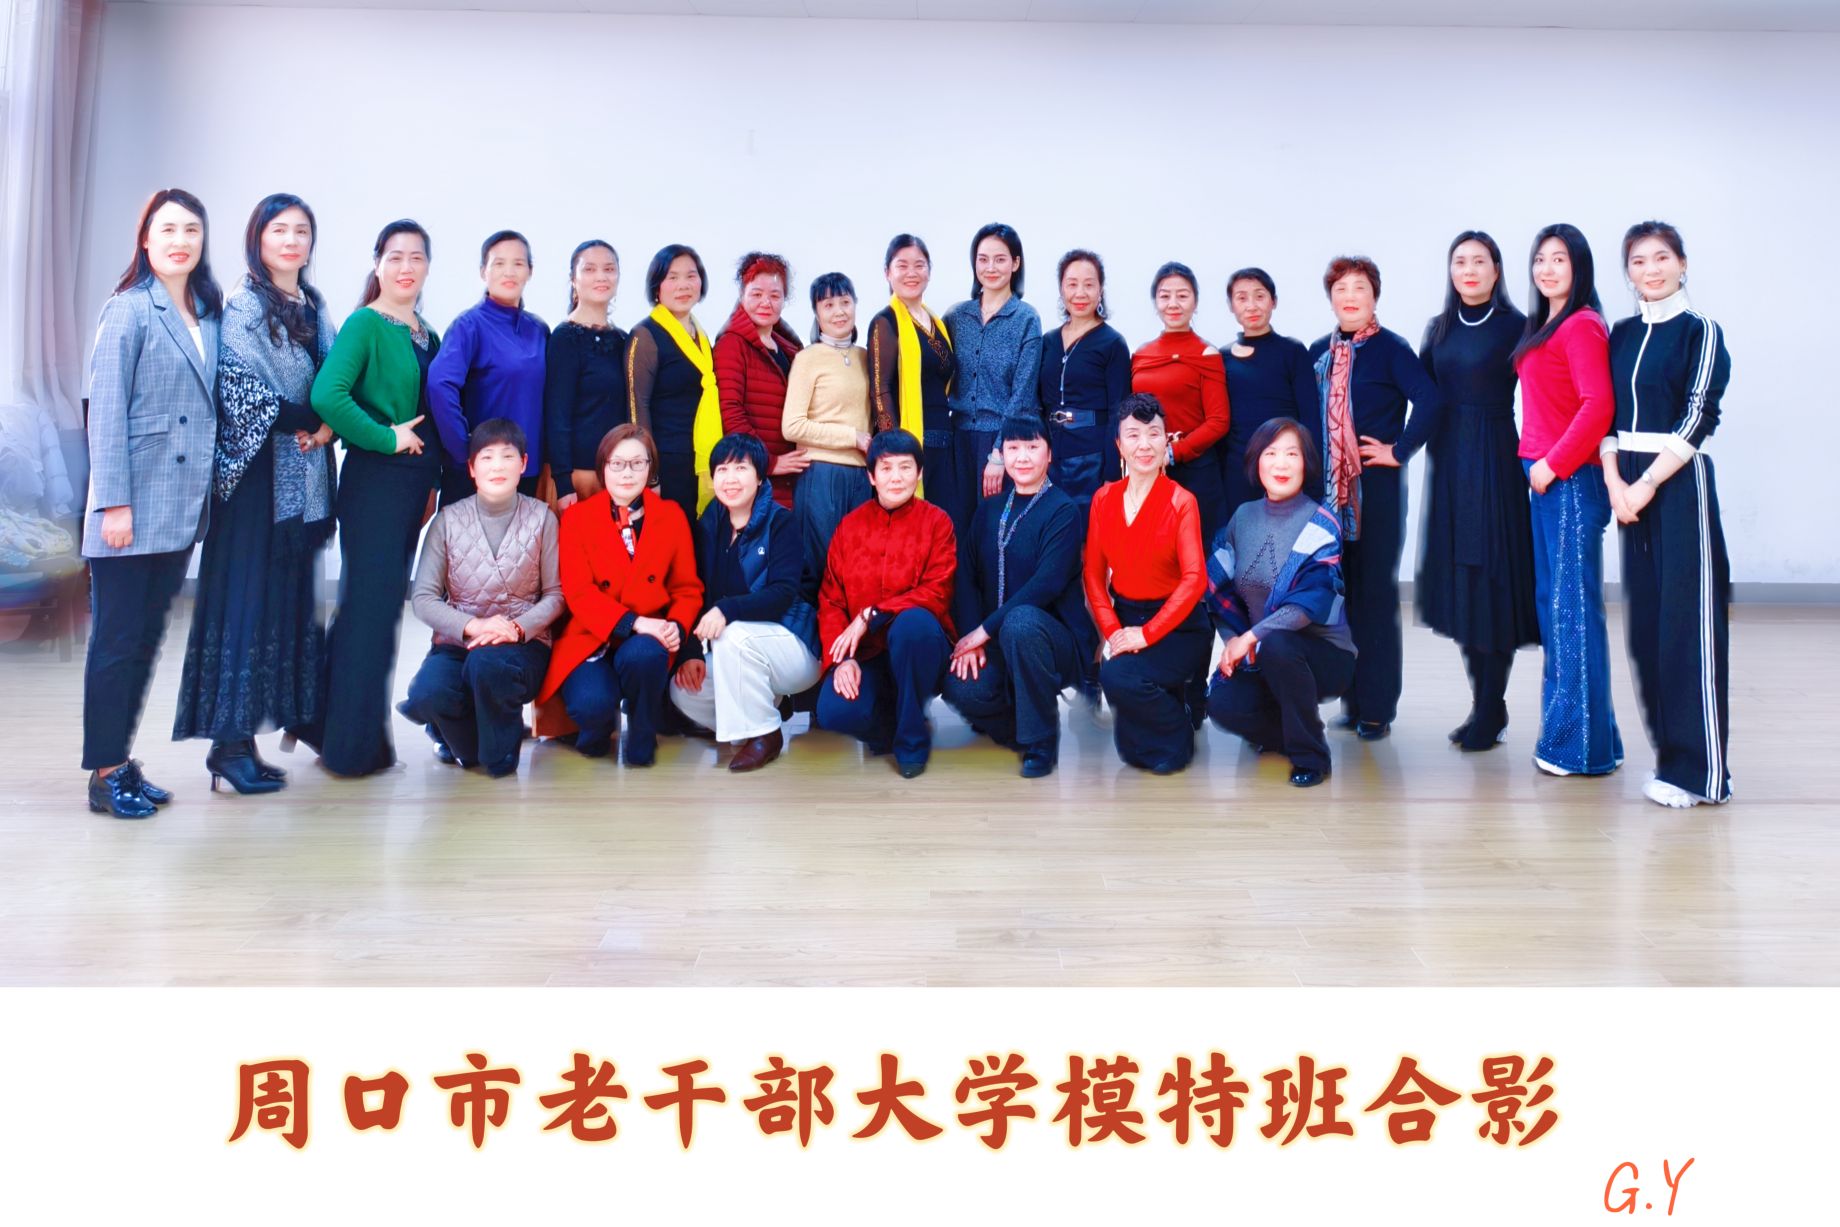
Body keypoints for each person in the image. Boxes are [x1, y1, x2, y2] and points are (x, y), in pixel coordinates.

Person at [172, 192, 336, 795]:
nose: (291, 241)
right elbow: (242, 394)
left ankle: (260, 733)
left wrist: (330, 420)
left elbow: (338, 378)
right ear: (258, 239)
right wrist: (321, 418)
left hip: (302, 484)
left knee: (283, 611)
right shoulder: (242, 306)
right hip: (252, 485)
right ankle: (228, 744)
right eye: (279, 230)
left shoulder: (313, 305)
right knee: (243, 608)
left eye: (301, 231)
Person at [81, 188, 223, 818]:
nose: (180, 240)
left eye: (191, 229)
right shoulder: (129, 309)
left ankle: (121, 760)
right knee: (116, 642)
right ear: (146, 239)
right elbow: (105, 411)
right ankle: (104, 774)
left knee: (144, 642)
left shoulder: (206, 312)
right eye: (167, 229)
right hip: (130, 508)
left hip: (179, 510)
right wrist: (113, 503)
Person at [307, 218, 441, 778]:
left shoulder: (426, 333)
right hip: (376, 484)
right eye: (395, 256)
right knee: (368, 613)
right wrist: (387, 437)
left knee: (378, 614)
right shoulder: (365, 323)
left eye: (416, 257)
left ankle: (328, 725)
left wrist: (431, 483)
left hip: (410, 489)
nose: (406, 267)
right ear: (378, 264)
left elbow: (432, 417)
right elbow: (327, 395)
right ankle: (349, 750)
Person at [1604, 220, 1732, 807]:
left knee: (1688, 628)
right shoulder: (1622, 333)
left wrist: (1648, 483)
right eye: (1638, 261)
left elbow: (1699, 415)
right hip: (1627, 488)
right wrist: (1616, 483)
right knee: (1648, 633)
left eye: (1661, 258)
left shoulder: (1701, 331)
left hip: (1678, 486)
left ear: (1682, 264)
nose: (1650, 270)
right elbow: (1607, 416)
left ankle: (1702, 776)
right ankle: (1671, 762)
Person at [1307, 255, 1445, 741]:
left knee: (1375, 597)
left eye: (1359, 288)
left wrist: (1399, 450)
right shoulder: (1319, 354)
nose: (1350, 297)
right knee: (1340, 598)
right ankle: (1352, 698)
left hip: (1376, 495)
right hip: (1327, 498)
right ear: (1331, 298)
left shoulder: (1391, 349)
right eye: (1341, 289)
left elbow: (1430, 400)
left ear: (1374, 296)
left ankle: (1378, 708)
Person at [1415, 231, 1538, 752]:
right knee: (1462, 583)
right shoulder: (1438, 328)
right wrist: (1395, 448)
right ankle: (1483, 702)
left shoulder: (1519, 326)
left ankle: (1491, 704)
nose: (1468, 270)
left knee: (1492, 581)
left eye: (1479, 261)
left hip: (1494, 455)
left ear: (1496, 270)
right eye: (1459, 261)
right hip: (1448, 460)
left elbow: (1545, 392)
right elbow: (1422, 396)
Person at [1513, 223, 1622, 778]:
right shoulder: (1547, 324)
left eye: (1559, 258)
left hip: (1570, 480)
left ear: (1579, 266)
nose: (1547, 268)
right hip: (1547, 477)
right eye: (1540, 259)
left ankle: (1576, 750)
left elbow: (1597, 405)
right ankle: (1598, 742)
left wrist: (1553, 464)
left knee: (1570, 612)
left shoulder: (1581, 325)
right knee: (1559, 607)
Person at [400, 419, 561, 777]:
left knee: (487, 666)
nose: (497, 466)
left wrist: (516, 629)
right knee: (427, 693)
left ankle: (497, 753)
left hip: (522, 646)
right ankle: (463, 740)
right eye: (486, 458)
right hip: (458, 642)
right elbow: (423, 598)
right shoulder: (447, 520)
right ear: (472, 468)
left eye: (508, 456)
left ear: (524, 464)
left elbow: (556, 594)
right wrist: (474, 626)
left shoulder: (543, 518)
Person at [538, 423, 702, 767]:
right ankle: (597, 729)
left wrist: (676, 626)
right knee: (591, 707)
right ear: (603, 467)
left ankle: (642, 731)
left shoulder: (671, 516)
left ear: (650, 468)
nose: (627, 473)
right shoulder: (577, 518)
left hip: (648, 639)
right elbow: (579, 593)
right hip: (591, 636)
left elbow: (686, 588)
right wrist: (635, 622)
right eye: (617, 464)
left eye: (637, 463)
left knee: (645, 655)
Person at [1204, 418, 1356, 787]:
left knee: (1279, 645)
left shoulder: (1322, 522)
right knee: (1221, 703)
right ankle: (1287, 732)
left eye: (1292, 454)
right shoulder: (1243, 517)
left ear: (1306, 463)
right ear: (1256, 461)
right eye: (1271, 454)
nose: (1281, 464)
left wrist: (1251, 638)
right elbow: (1219, 590)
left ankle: (1311, 757)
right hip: (1263, 651)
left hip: (1322, 656)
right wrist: (1235, 642)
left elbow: (1306, 607)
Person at [942, 419, 1086, 777]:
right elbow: (967, 576)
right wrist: (973, 636)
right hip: (995, 640)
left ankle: (1041, 742)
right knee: (959, 685)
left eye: (1033, 447)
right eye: (1013, 448)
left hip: (1050, 641)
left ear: (1049, 455)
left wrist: (984, 630)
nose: (1023, 457)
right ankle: (1016, 726)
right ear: (1002, 455)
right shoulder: (988, 509)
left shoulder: (1063, 510)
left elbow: (1047, 584)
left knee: (1020, 622)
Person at [668, 433, 820, 772]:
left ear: (760, 476)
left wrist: (727, 610)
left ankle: (766, 735)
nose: (730, 478)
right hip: (742, 651)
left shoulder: (781, 522)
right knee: (684, 691)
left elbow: (783, 593)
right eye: (722, 470)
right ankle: (763, 709)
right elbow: (696, 593)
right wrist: (691, 653)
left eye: (741, 468)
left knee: (731, 633)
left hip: (793, 645)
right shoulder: (710, 525)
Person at [813, 429, 956, 778]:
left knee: (912, 623)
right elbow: (831, 599)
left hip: (919, 649)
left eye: (905, 468)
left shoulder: (937, 522)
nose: (896, 478)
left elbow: (936, 591)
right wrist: (841, 660)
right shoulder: (849, 527)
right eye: (886, 468)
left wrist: (872, 614)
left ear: (919, 474)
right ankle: (893, 723)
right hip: (868, 654)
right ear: (871, 477)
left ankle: (912, 742)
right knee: (835, 712)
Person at [1084, 393, 1210, 773]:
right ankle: (1176, 699)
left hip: (1179, 625)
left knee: (1117, 676)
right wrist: (1114, 632)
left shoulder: (1182, 501)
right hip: (1126, 617)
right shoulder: (1103, 499)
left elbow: (1195, 579)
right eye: (1133, 435)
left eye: (1154, 434)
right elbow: (1093, 575)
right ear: (1119, 445)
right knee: (1130, 751)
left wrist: (1147, 634)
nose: (1144, 445)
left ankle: (1182, 725)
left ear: (1165, 440)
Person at [428, 230, 549, 506]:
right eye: (499, 263)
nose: (509, 271)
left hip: (526, 473)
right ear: (484, 272)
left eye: (518, 263)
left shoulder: (538, 329)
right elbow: (439, 385)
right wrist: (464, 450)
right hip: (476, 477)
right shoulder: (468, 326)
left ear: (530, 271)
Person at [942, 223, 1042, 534]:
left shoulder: (1026, 319)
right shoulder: (956, 317)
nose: (991, 268)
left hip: (1000, 440)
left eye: (1000, 259)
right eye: (983, 259)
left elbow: (1023, 394)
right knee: (956, 532)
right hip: (956, 441)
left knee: (994, 531)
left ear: (1015, 263)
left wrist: (999, 454)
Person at [781, 271, 873, 599]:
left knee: (858, 566)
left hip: (862, 476)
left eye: (845, 302)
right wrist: (852, 437)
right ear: (817, 313)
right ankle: (818, 633)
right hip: (821, 475)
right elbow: (792, 425)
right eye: (828, 305)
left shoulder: (865, 356)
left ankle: (855, 631)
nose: (839, 312)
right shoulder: (807, 358)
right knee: (822, 568)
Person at [1130, 261, 1231, 546]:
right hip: (1148, 469)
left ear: (1195, 302)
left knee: (1197, 553)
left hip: (1195, 472)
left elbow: (1219, 421)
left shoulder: (1206, 353)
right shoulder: (1141, 354)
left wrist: (1173, 453)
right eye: (1165, 296)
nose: (1173, 303)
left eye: (1182, 295)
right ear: (1155, 302)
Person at [1219, 267, 1320, 521]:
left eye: (1260, 296)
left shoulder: (1292, 351)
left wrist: (1312, 480)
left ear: (1273, 301)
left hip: (1284, 467)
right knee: (1242, 538)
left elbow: (1310, 419)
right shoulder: (1222, 357)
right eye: (1242, 298)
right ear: (1231, 306)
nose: (1251, 306)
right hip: (1239, 470)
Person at [628, 243, 718, 526]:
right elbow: (637, 407)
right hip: (666, 464)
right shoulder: (645, 335)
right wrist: (650, 474)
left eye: (691, 276)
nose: (683, 285)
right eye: (672, 277)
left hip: (701, 460)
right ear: (657, 286)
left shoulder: (701, 336)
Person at [867, 234, 956, 509]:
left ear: (929, 271)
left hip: (943, 444)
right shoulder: (885, 322)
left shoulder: (938, 324)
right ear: (887, 272)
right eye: (902, 265)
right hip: (911, 446)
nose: (911, 273)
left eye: (919, 265)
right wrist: (897, 451)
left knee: (943, 519)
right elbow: (880, 390)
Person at [713, 252, 807, 510]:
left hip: (791, 480)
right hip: (757, 480)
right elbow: (730, 411)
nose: (766, 303)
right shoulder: (731, 344)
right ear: (742, 295)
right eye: (756, 294)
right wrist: (769, 462)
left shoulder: (789, 349)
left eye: (775, 296)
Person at [1037, 248, 1129, 508]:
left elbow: (1119, 411)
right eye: (1072, 284)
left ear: (1100, 290)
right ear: (1061, 289)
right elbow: (1038, 402)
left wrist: (1112, 473)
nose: (1080, 293)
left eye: (1089, 285)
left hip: (1092, 458)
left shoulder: (1112, 343)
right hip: (1049, 457)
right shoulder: (1048, 341)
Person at [545, 239, 627, 511]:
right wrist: (564, 483)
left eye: (609, 269)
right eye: (589, 269)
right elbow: (557, 414)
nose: (601, 276)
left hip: (617, 476)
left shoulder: (624, 339)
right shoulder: (565, 337)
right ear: (573, 279)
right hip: (578, 479)